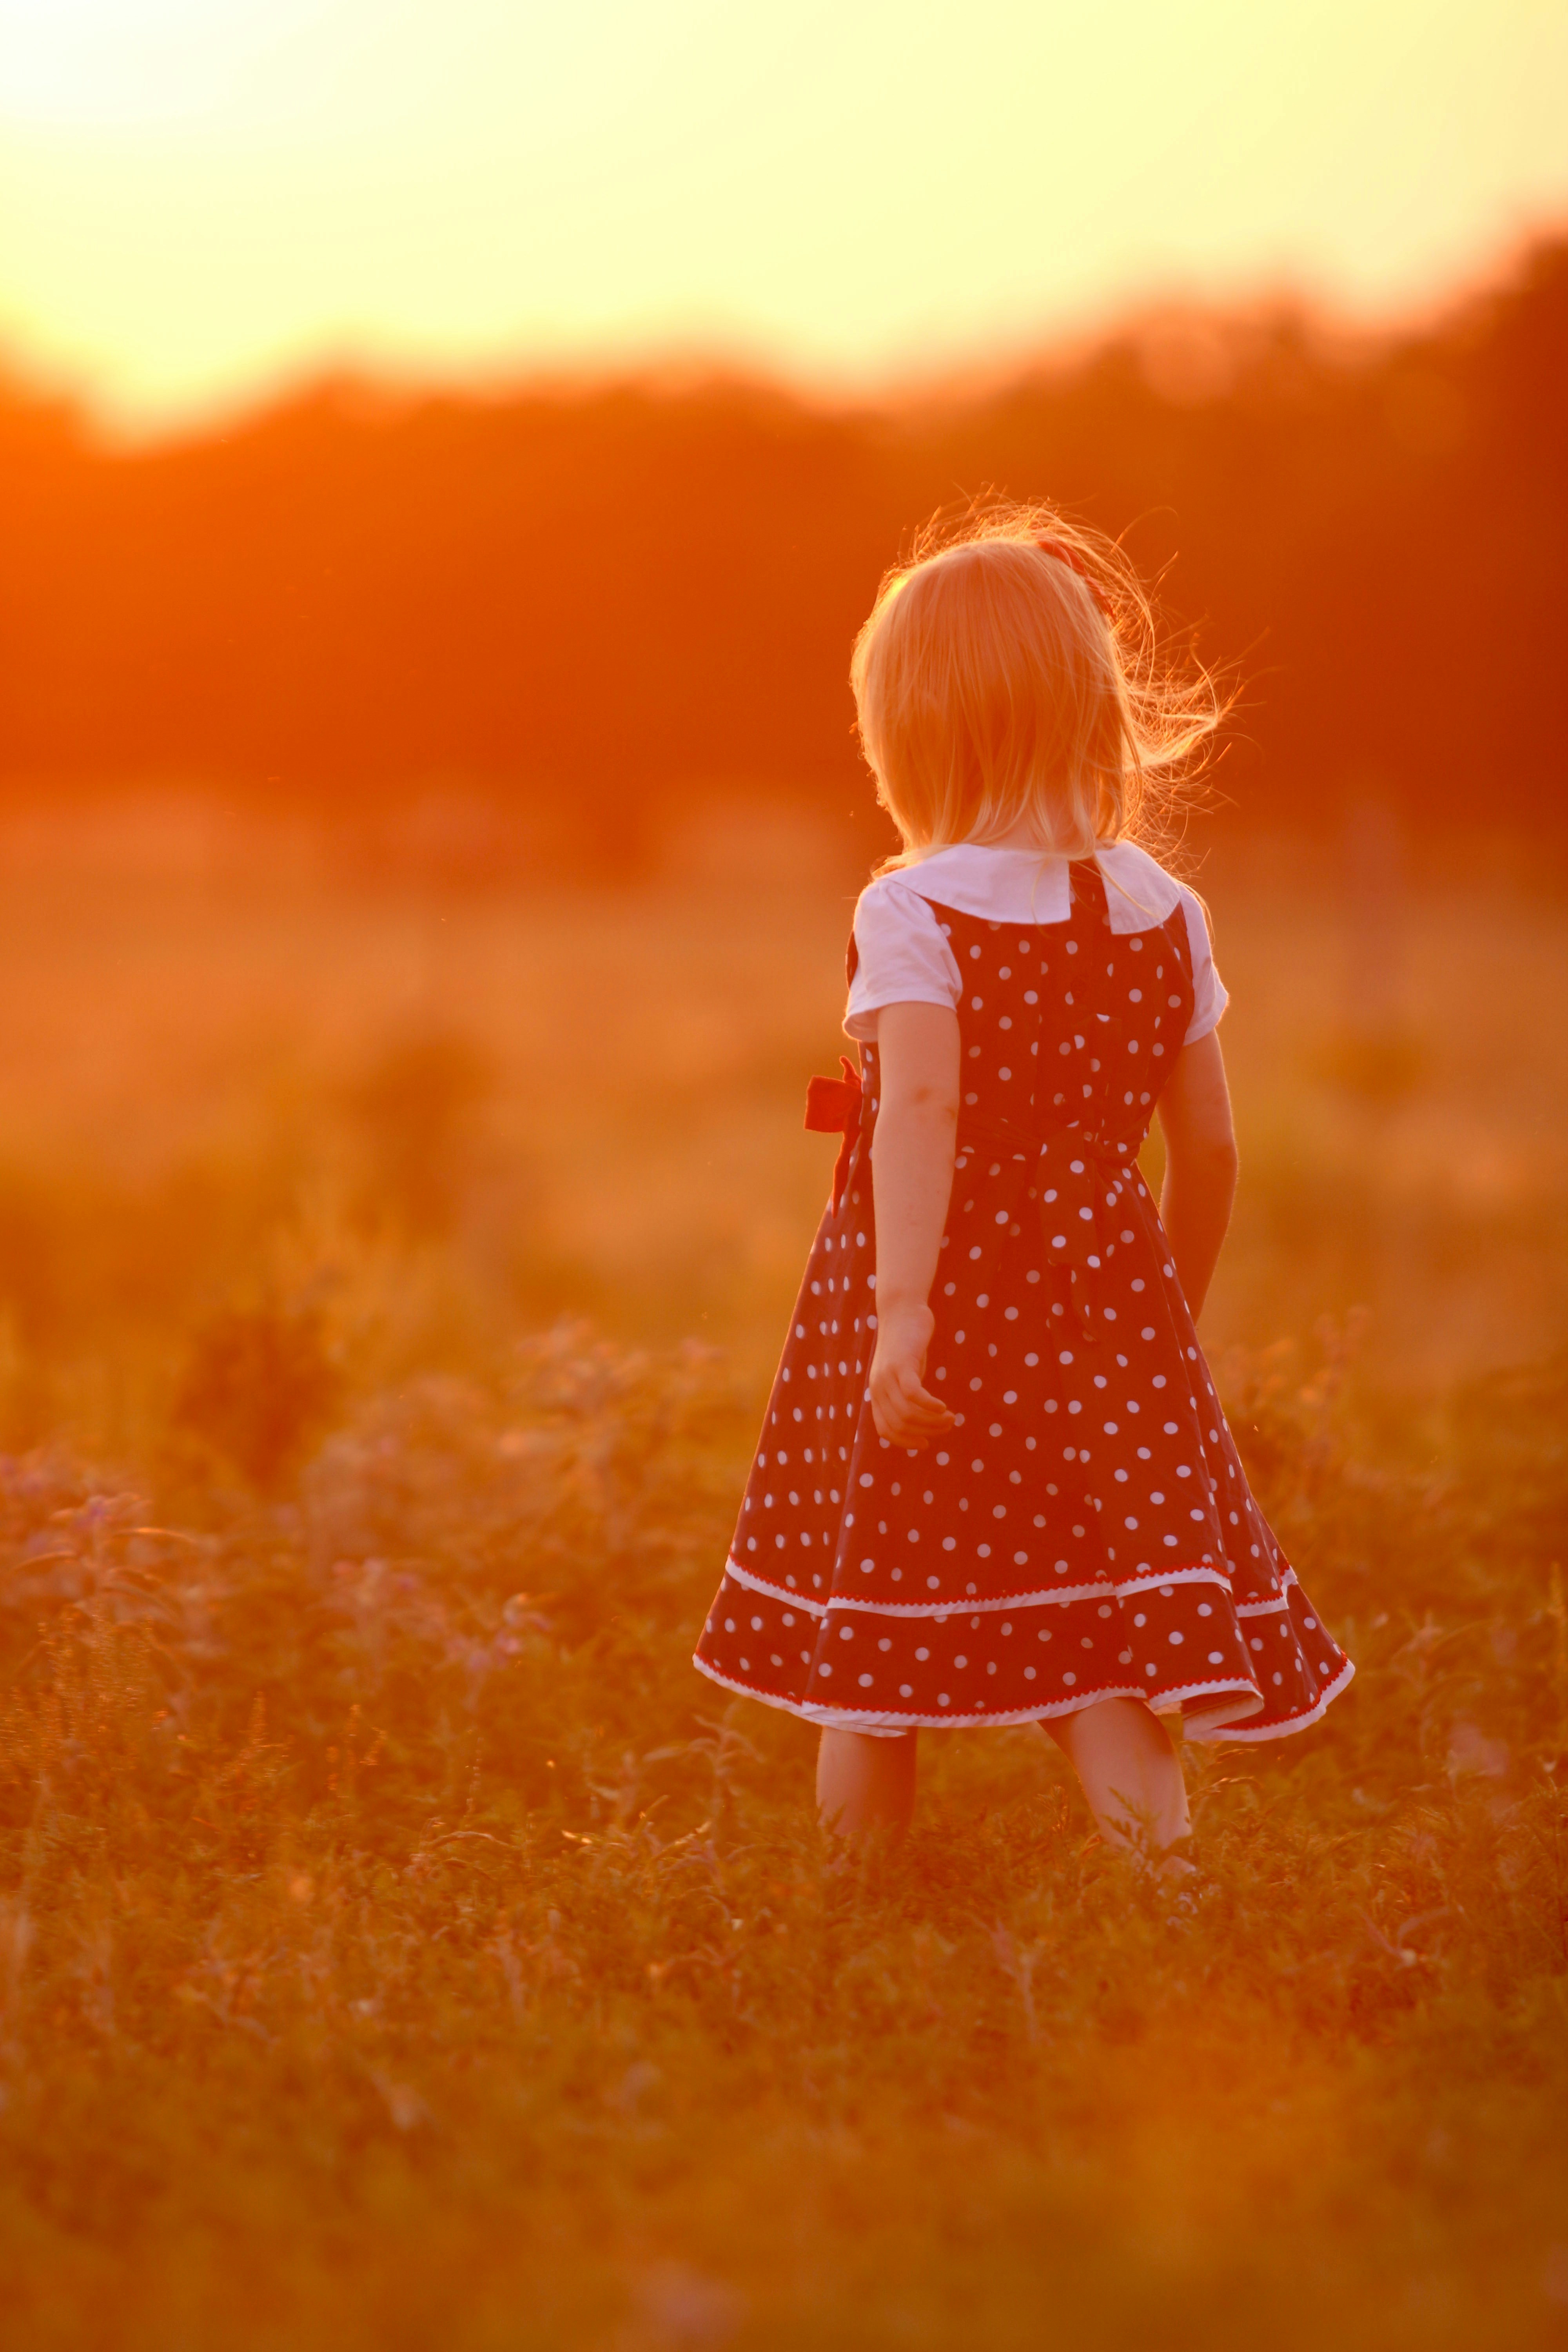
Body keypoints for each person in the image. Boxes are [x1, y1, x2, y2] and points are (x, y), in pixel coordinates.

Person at [693, 507, 1353, 1865]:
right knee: (1103, 1623)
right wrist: (1167, 1306)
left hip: (934, 1306)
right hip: (1103, 1310)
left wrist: (901, 1312)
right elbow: (1212, 1148)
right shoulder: (1164, 905)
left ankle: (846, 1924)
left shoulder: (913, 908)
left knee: (870, 1643)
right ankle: (1159, 1902)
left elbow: (921, 1107)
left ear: (917, 732)